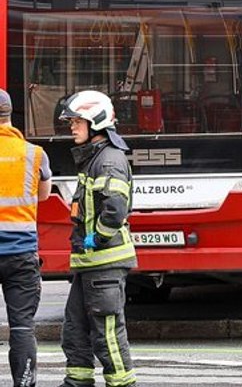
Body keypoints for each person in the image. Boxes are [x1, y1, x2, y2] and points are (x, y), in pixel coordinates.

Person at [58, 90, 137, 387]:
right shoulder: (94, 158)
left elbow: (115, 211)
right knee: (75, 331)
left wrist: (97, 239)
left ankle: (122, 385)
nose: (72, 127)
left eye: (77, 121)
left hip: (104, 263)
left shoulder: (108, 161)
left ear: (96, 122)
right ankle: (77, 382)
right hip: (89, 265)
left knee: (107, 335)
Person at [0, 89, 52, 386]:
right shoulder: (34, 153)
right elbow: (43, 195)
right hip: (20, 255)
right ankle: (24, 383)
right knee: (22, 328)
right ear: (10, 115)